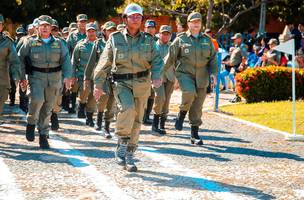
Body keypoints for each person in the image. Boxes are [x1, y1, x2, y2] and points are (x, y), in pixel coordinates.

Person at [93, 3, 162, 172]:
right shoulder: (115, 38)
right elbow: (104, 62)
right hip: (121, 83)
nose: (136, 19)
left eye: (139, 16)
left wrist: (157, 75)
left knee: (138, 120)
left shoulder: (149, 40)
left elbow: (158, 60)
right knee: (128, 109)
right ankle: (122, 143)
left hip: (142, 83)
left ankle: (130, 154)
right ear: (125, 19)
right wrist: (98, 84)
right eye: (132, 16)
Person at [18, 15, 73, 149]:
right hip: (36, 76)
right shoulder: (29, 42)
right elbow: (20, 59)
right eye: (42, 25)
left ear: (51, 28)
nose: (44, 28)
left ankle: (43, 135)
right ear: (37, 27)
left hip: (54, 78)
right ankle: (31, 122)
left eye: (47, 25)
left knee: (48, 107)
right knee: (37, 100)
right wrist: (22, 77)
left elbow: (66, 59)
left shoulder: (59, 43)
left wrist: (67, 76)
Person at [163, 12, 217, 145]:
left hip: (202, 76)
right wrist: (158, 73)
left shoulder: (207, 40)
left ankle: (194, 135)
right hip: (185, 74)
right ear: (188, 24)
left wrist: (214, 74)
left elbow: (213, 59)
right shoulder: (180, 39)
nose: (196, 24)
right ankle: (181, 114)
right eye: (193, 22)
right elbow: (170, 58)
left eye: (198, 22)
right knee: (189, 92)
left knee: (198, 106)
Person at [85, 21, 117, 138]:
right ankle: (99, 120)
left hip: (115, 77)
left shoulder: (119, 43)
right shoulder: (98, 44)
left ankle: (107, 127)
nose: (111, 32)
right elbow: (91, 62)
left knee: (112, 102)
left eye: (113, 30)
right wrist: (86, 78)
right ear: (104, 32)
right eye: (109, 30)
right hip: (101, 78)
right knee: (102, 100)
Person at [71, 22, 99, 127]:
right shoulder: (80, 45)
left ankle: (90, 117)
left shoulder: (100, 44)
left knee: (93, 97)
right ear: (86, 32)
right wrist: (73, 75)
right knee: (84, 94)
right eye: (89, 31)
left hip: (97, 76)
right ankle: (81, 105)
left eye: (93, 31)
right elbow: (74, 62)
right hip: (83, 76)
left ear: (96, 32)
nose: (91, 33)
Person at [152, 25, 175, 135]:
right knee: (160, 97)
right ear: (159, 34)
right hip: (157, 77)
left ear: (170, 36)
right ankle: (155, 125)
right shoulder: (153, 46)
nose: (165, 36)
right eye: (163, 33)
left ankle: (162, 124)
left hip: (170, 77)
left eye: (168, 34)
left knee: (167, 100)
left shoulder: (173, 47)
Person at [0, 14, 21, 124]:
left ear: (2, 26)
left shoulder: (7, 42)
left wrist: (16, 76)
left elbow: (15, 61)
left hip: (3, 80)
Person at [66, 14, 88, 114]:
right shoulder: (72, 35)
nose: (83, 24)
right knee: (73, 86)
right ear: (77, 23)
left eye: (84, 22)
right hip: (74, 64)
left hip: (86, 65)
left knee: (85, 87)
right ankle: (72, 105)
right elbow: (67, 50)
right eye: (81, 22)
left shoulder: (90, 34)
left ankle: (82, 107)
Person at [222, 33, 248, 103]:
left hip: (238, 67)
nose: (233, 40)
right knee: (237, 82)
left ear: (239, 39)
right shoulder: (237, 46)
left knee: (239, 82)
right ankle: (237, 97)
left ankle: (239, 97)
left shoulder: (242, 46)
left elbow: (244, 57)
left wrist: (241, 65)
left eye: (235, 39)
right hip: (234, 67)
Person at [143, 19, 157, 125]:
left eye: (152, 28)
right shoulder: (141, 39)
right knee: (144, 94)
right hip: (143, 71)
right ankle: (142, 116)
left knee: (151, 94)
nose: (150, 30)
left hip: (154, 71)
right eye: (148, 28)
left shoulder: (157, 40)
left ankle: (147, 116)